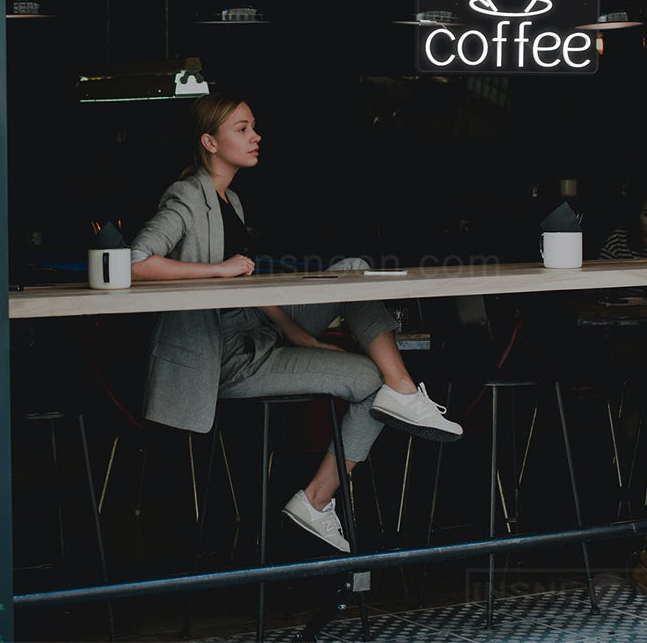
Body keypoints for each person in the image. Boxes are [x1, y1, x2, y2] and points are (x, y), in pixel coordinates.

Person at [130, 93, 462, 553]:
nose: (256, 136)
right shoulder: (187, 196)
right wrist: (219, 269)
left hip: (255, 331)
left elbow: (246, 288)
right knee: (371, 382)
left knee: (352, 269)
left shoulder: (232, 201)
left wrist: (297, 333)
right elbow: (135, 262)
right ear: (209, 141)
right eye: (242, 128)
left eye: (254, 126)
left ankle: (403, 389)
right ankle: (317, 499)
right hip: (224, 358)